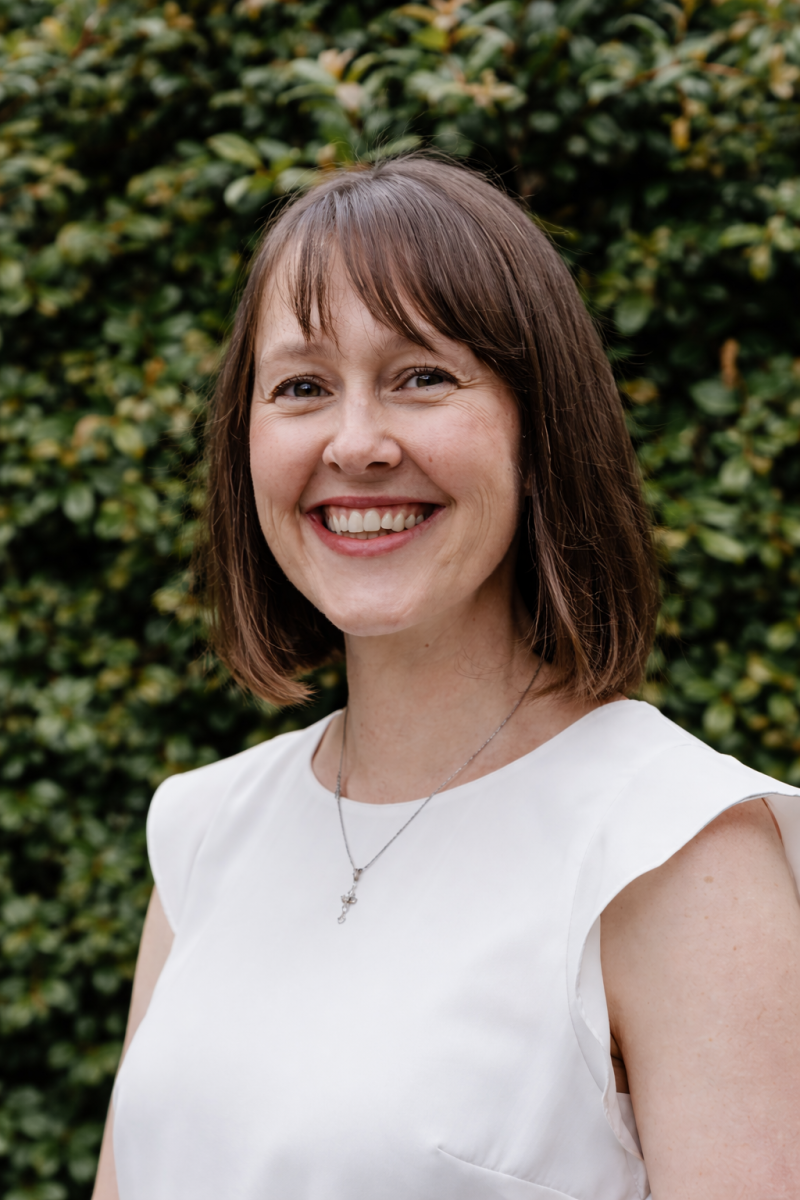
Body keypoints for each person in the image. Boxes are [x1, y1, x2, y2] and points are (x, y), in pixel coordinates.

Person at [93, 155, 800, 1200]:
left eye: (421, 375)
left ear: (538, 427)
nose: (356, 443)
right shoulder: (203, 829)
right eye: (301, 387)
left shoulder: (674, 849)